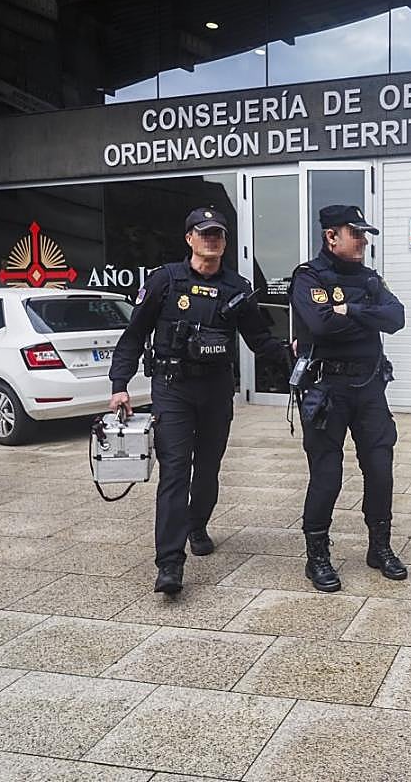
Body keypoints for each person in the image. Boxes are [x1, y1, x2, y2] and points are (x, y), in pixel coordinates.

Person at [109, 206, 289, 594]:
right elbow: (134, 335)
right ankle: (169, 562)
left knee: (207, 468)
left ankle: (198, 524)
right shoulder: (165, 281)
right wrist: (119, 384)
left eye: (218, 234)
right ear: (189, 238)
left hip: (215, 389)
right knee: (175, 471)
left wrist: (294, 352)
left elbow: (259, 341)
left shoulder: (237, 288)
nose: (212, 239)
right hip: (173, 388)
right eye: (204, 233)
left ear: (225, 242)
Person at [289, 204, 407, 593]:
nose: (362, 241)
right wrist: (360, 317)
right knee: (327, 474)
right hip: (327, 391)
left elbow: (397, 318)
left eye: (365, 234)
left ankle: (380, 547)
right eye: (354, 233)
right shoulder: (309, 277)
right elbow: (320, 324)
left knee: (380, 468)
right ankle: (317, 556)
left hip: (369, 389)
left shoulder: (370, 279)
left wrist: (350, 309)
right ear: (331, 236)